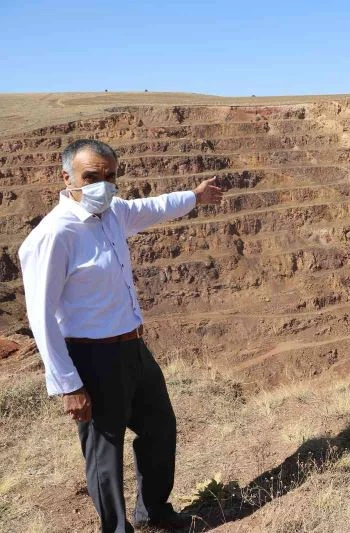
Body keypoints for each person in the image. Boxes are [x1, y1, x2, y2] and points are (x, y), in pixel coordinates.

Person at [18, 139, 223, 532]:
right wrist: (68, 384)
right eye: (92, 177)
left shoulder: (112, 214)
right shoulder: (55, 235)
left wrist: (195, 197)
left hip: (132, 347)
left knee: (160, 426)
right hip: (91, 357)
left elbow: (153, 208)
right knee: (104, 452)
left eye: (111, 176)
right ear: (67, 178)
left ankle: (155, 512)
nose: (103, 185)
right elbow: (41, 317)